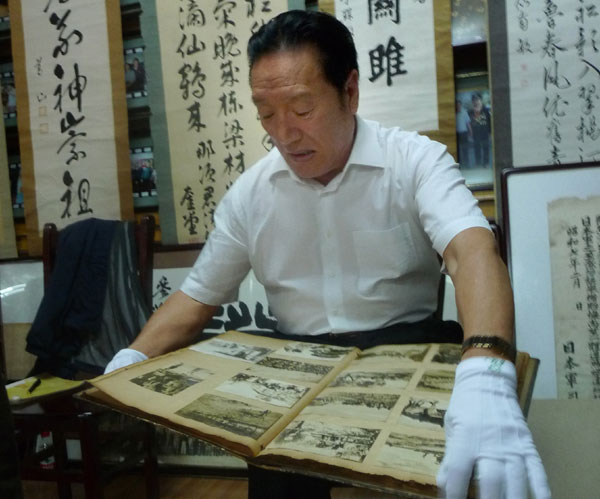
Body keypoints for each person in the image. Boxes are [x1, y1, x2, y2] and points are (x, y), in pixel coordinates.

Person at [105, 10, 550, 499]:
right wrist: (132, 357)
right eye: (266, 113)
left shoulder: (414, 160)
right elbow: (195, 298)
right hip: (293, 367)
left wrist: (488, 371)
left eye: (301, 109)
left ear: (350, 91)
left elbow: (471, 252)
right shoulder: (251, 194)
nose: (284, 133)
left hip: (404, 350)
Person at [469, 92, 492, 168]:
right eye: (474, 100)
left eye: (477, 99)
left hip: (485, 133)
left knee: (486, 148)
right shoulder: (470, 112)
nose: (476, 101)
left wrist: (490, 133)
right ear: (472, 102)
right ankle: (478, 163)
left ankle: (486, 163)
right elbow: (468, 124)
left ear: (481, 100)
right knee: (477, 149)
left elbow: (490, 122)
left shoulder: (487, 110)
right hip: (476, 134)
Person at [455, 99, 472, 168]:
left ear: (461, 105)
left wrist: (470, 132)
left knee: (465, 149)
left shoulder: (464, 112)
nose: (458, 106)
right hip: (456, 134)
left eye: (459, 105)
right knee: (458, 150)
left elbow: (468, 124)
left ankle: (467, 164)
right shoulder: (453, 113)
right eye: (457, 105)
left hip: (464, 134)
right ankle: (458, 165)